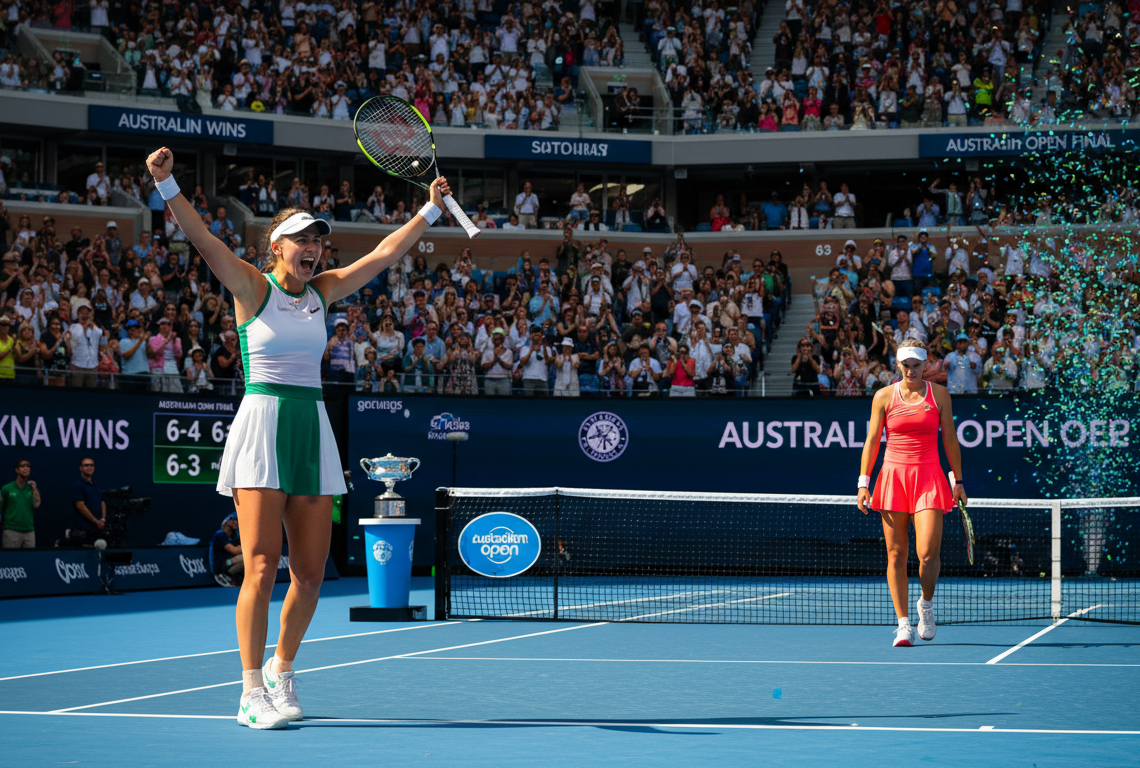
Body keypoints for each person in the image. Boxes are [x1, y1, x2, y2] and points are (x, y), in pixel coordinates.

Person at [147, 145, 454, 730]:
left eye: (319, 241)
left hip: (311, 427)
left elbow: (384, 254)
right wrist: (166, 184)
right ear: (277, 246)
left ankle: (282, 670)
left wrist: (430, 209)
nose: (314, 247)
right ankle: (249, 691)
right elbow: (203, 239)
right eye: (302, 239)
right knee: (262, 566)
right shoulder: (250, 286)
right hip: (263, 425)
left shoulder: (323, 292)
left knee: (310, 573)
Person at [857, 339, 966, 648]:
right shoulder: (883, 396)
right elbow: (872, 440)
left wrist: (958, 481)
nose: (911, 370)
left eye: (917, 365)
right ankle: (903, 624)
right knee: (896, 554)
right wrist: (863, 483)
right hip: (893, 478)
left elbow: (950, 440)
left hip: (929, 477)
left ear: (925, 364)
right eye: (906, 365)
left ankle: (926, 605)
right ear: (898, 365)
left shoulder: (940, 395)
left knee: (928, 554)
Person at [1, 458, 40, 548]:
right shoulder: (7, 488)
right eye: (23, 466)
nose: (26, 468)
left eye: (28, 466)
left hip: (29, 531)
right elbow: (2, 507)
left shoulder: (32, 489)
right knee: (11, 556)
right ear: (17, 470)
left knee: (29, 557)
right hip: (12, 531)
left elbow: (36, 505)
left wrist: (34, 489)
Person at [72, 456, 105, 541]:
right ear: (81, 468)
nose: (89, 467)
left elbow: (102, 502)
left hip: (98, 527)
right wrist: (96, 521)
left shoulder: (95, 484)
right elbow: (80, 506)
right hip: (85, 528)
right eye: (86, 465)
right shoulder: (78, 485)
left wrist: (102, 519)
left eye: (91, 465)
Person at [210, 512, 244, 587]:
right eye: (235, 520)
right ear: (228, 521)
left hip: (229, 563)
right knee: (248, 557)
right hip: (224, 566)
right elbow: (235, 551)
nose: (237, 523)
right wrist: (251, 544)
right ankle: (225, 576)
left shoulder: (233, 536)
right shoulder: (220, 534)